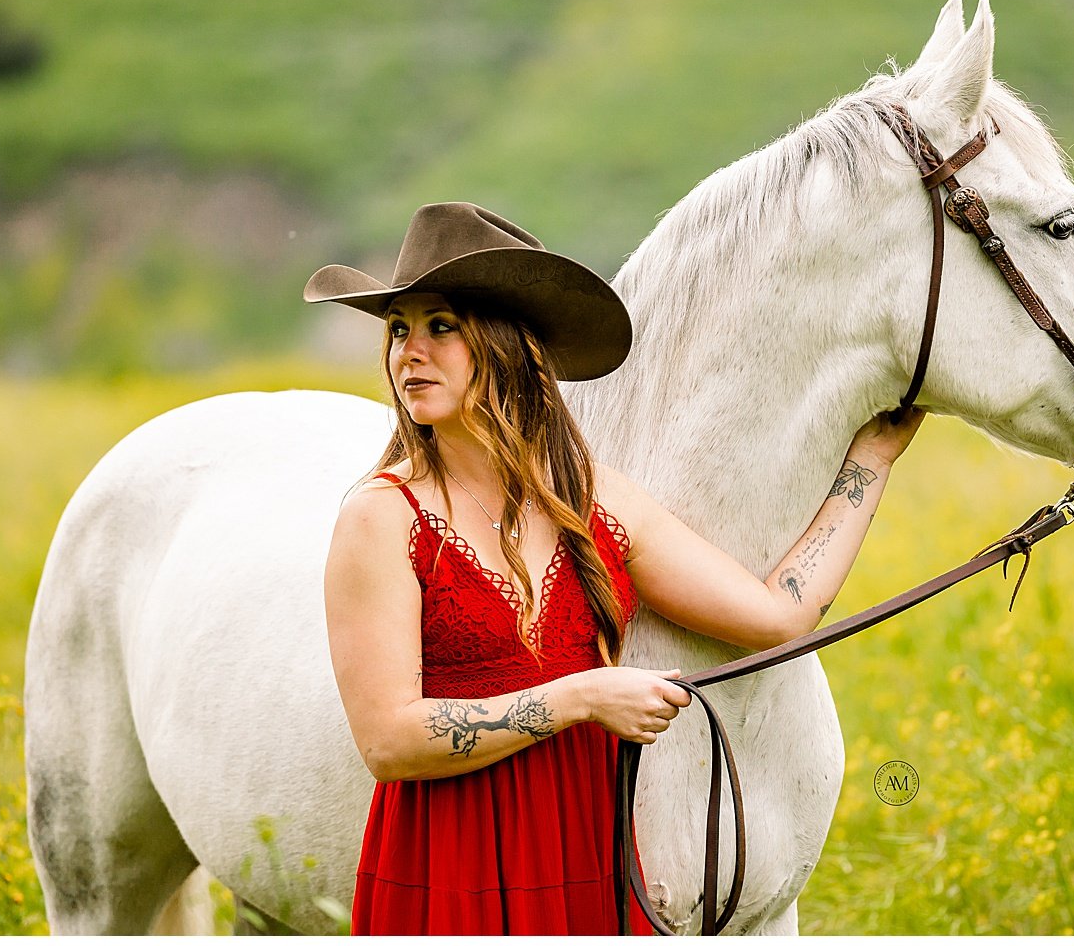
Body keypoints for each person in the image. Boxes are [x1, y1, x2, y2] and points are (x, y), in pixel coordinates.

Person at [305, 202, 924, 935]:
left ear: (512, 344)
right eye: (399, 328)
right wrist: (582, 696)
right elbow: (388, 741)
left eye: (440, 325)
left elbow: (777, 616)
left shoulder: (597, 502)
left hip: (584, 853)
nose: (409, 350)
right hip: (452, 863)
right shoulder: (383, 517)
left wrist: (870, 464)